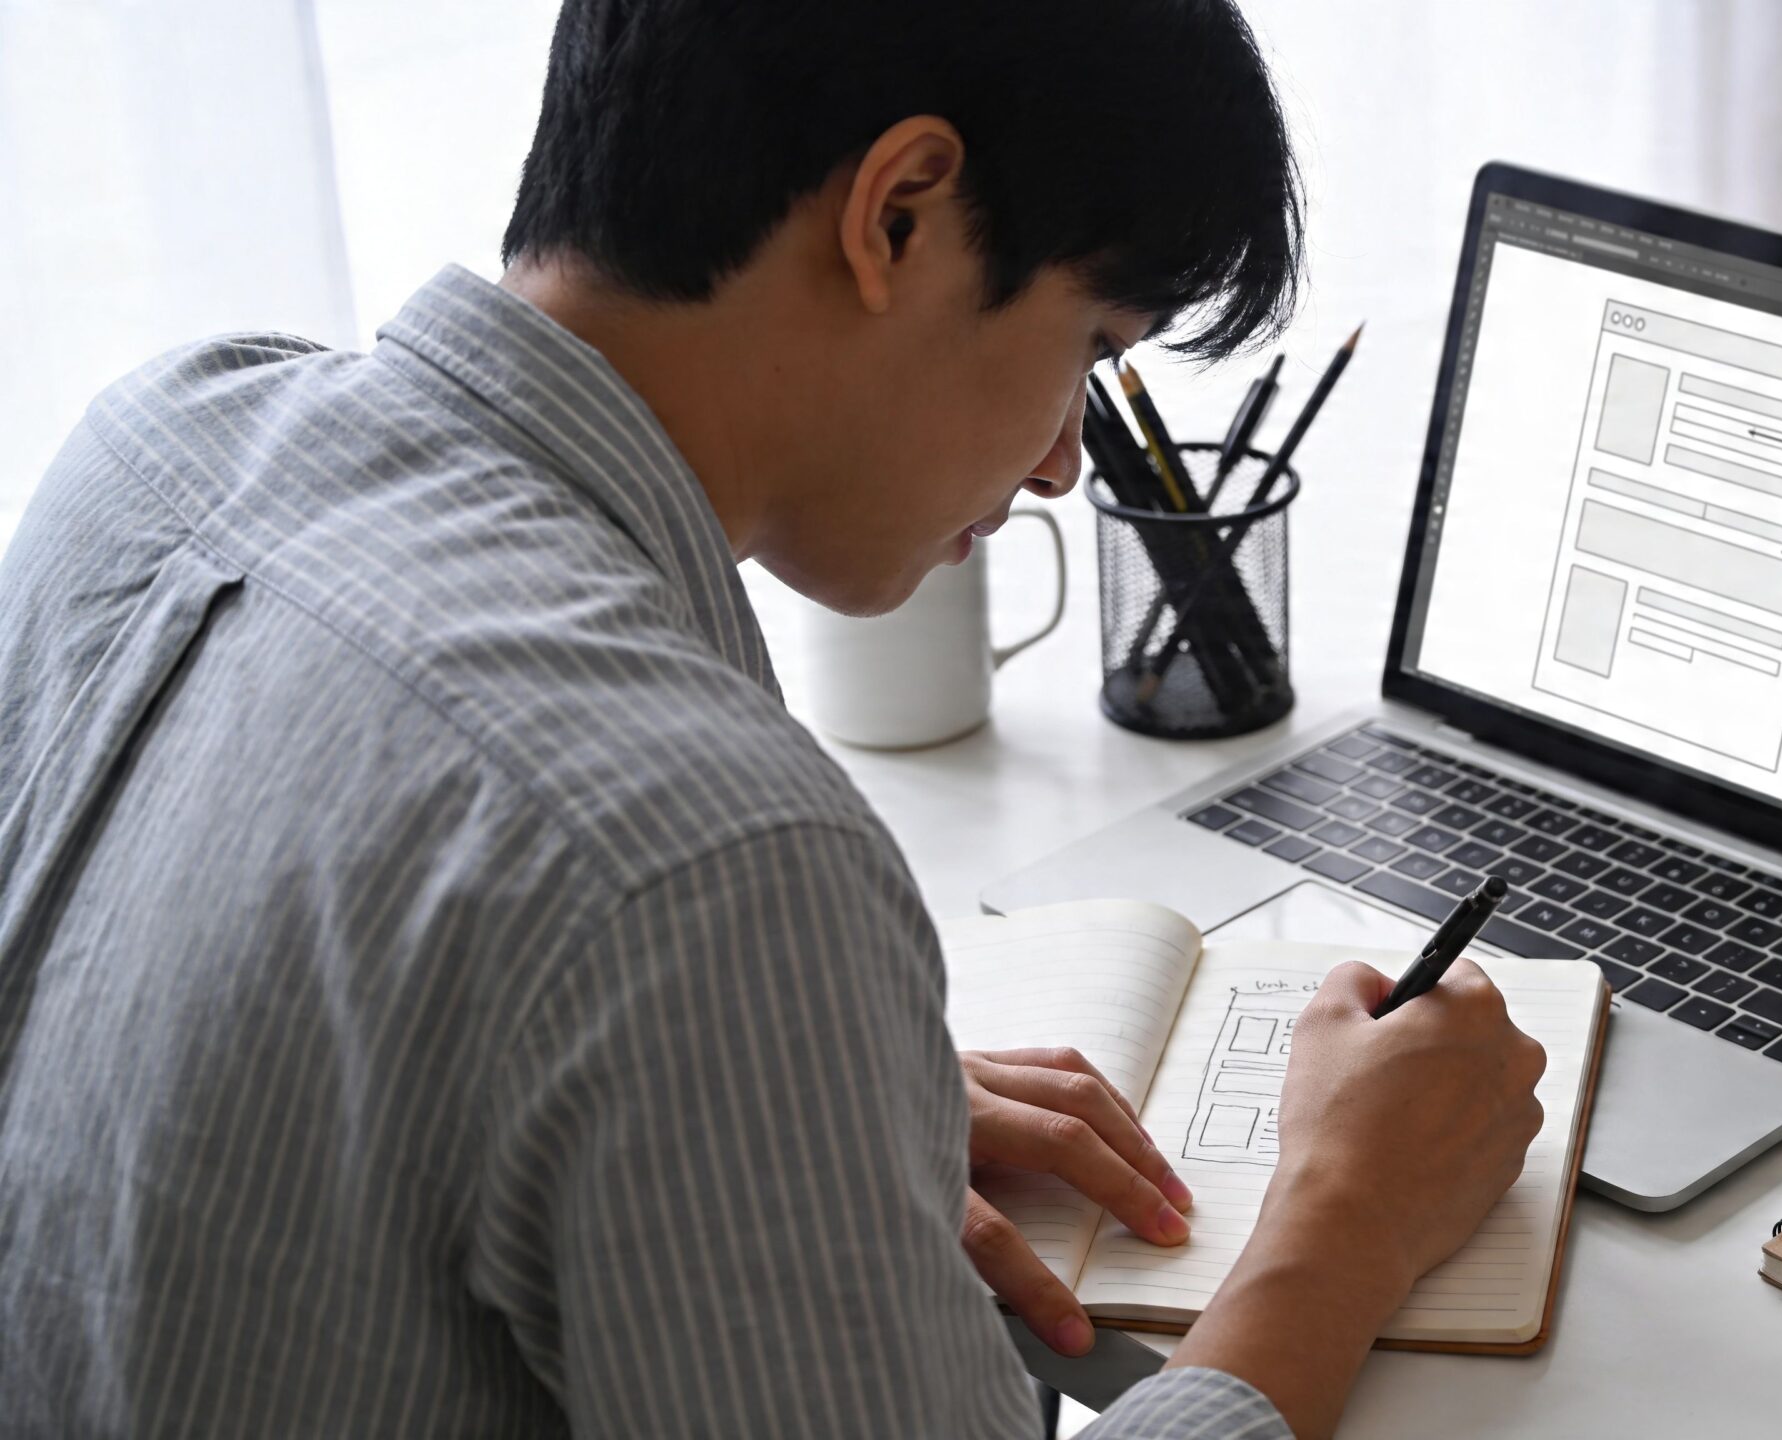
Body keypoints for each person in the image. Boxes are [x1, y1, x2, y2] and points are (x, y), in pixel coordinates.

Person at [0, 2, 1547, 1437]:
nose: (1069, 461)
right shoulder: (709, 863)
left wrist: (757, 1122)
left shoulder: (156, 444)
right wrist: (1340, 1231)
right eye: (1090, 348)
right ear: (899, 216)